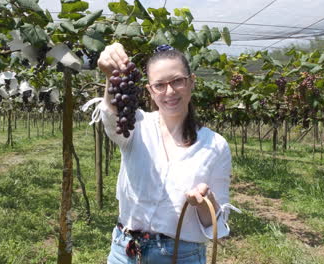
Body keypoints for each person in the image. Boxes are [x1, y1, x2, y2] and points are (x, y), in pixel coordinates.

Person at [88, 43, 239, 264]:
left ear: (192, 82)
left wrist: (207, 201)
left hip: (181, 255)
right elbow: (111, 119)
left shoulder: (215, 145)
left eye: (177, 81)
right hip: (125, 251)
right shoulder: (136, 126)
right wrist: (112, 77)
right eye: (159, 85)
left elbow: (216, 223)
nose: (169, 91)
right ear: (149, 90)